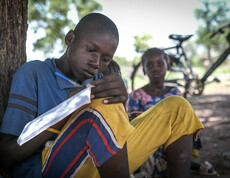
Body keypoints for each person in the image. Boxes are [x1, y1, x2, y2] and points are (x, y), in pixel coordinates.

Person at [0, 13, 204, 178]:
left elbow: (115, 134)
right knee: (102, 102)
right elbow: (7, 154)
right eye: (90, 50)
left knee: (178, 107)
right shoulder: (34, 73)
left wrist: (123, 113)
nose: (96, 63)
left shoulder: (99, 79)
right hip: (47, 169)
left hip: (101, 162)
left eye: (106, 58)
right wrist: (70, 107)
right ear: (70, 39)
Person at [127, 47, 216, 177]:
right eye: (149, 65)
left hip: (172, 136)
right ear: (144, 71)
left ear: (167, 66)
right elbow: (133, 123)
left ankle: (182, 163)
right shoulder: (137, 95)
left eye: (160, 64)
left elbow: (181, 118)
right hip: (150, 138)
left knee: (185, 124)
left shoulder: (174, 92)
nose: (155, 68)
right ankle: (187, 165)